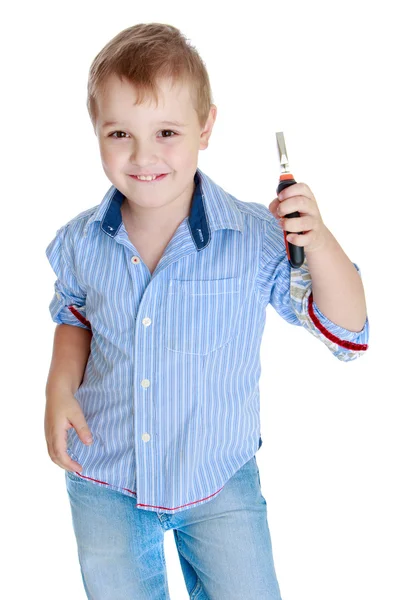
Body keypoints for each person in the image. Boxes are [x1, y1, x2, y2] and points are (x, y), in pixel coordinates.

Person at [44, 22, 369, 600]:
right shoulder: (79, 242)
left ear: (206, 127)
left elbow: (347, 330)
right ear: (95, 131)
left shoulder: (253, 236)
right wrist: (59, 392)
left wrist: (318, 241)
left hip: (218, 481)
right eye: (119, 133)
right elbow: (74, 319)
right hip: (107, 475)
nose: (143, 156)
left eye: (166, 131)